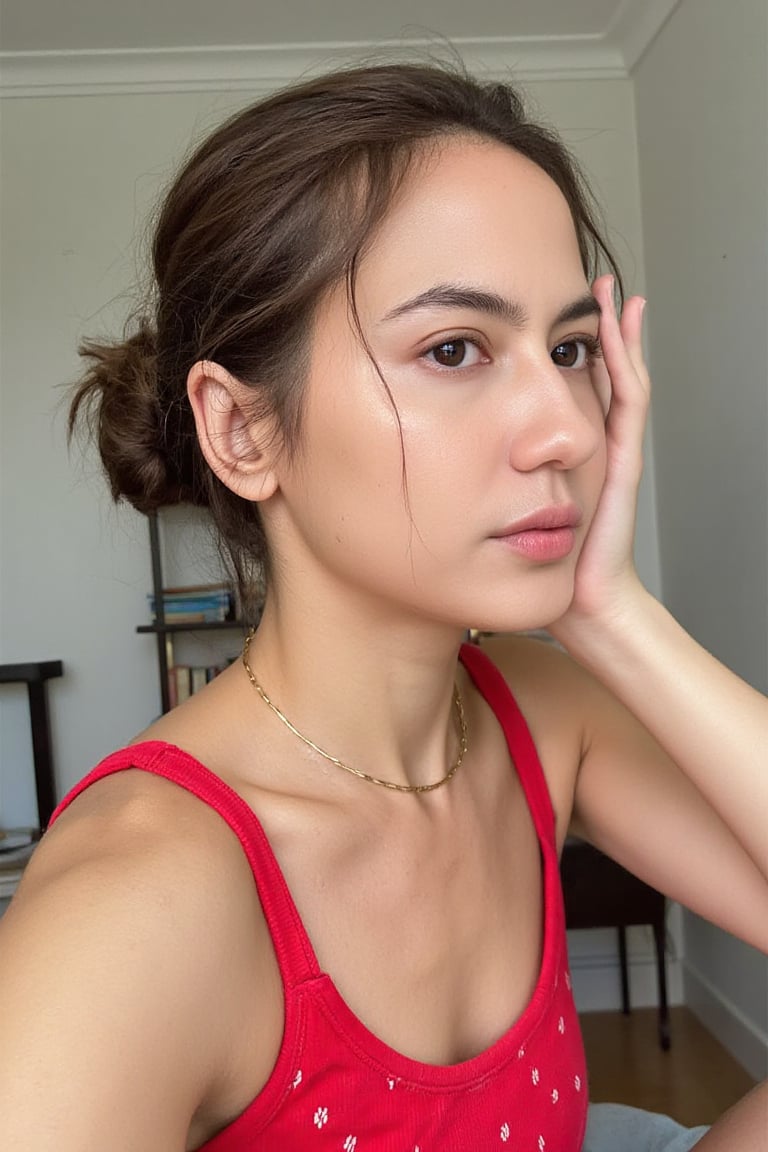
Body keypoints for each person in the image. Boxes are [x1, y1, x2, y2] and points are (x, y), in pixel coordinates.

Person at [0, 61, 764, 1151]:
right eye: (454, 350)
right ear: (245, 432)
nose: (569, 431)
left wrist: (616, 617)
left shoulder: (543, 717)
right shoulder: (135, 908)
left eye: (571, 349)